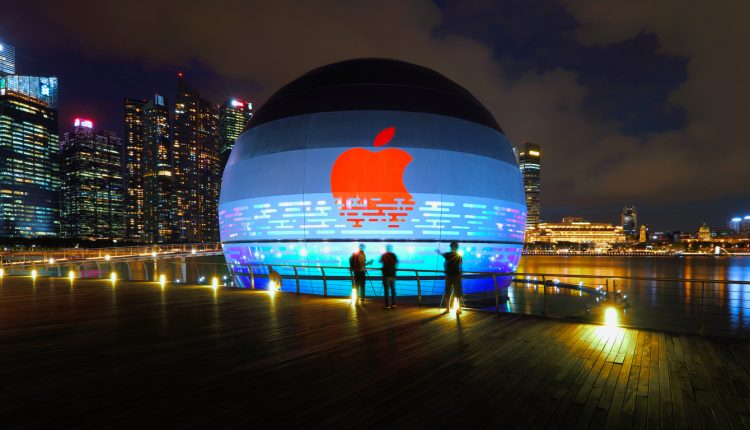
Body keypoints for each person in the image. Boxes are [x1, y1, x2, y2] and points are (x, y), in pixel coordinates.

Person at [436, 241, 463, 314]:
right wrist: (460, 276)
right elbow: (460, 267)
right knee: (457, 293)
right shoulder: (459, 256)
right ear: (457, 248)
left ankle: (448, 308)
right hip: (456, 276)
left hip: (449, 276)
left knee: (448, 292)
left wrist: (438, 251)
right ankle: (458, 309)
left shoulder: (447, 255)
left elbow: (441, 254)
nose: (453, 248)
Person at [379, 244, 398, 308]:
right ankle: (394, 303)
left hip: (386, 275)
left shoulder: (384, 255)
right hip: (393, 274)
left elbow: (380, 261)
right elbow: (397, 263)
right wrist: (395, 270)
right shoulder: (394, 255)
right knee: (393, 289)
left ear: (386, 248)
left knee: (386, 290)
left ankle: (387, 305)